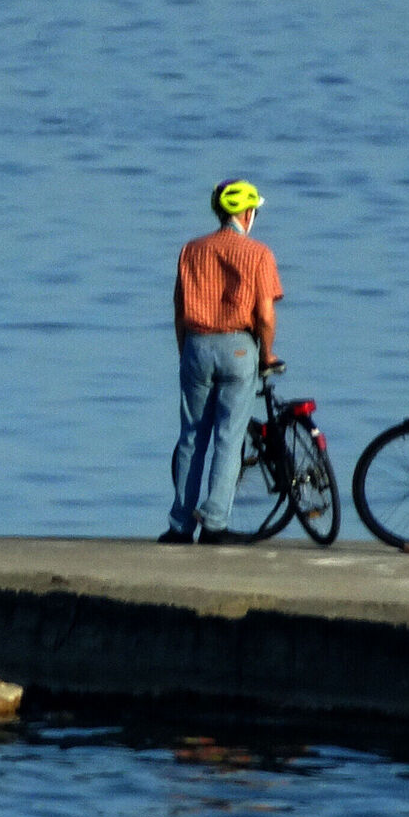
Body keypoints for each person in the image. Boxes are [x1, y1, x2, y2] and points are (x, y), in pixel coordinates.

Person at [160, 179, 284, 545]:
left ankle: (180, 524)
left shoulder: (191, 250)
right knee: (228, 438)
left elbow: (180, 311)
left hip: (196, 345)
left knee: (191, 437)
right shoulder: (259, 253)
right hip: (238, 348)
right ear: (247, 213)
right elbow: (264, 315)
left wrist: (186, 351)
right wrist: (267, 354)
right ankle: (214, 523)